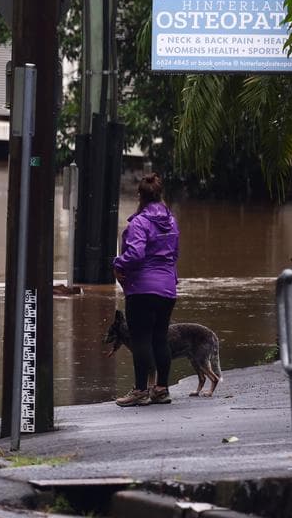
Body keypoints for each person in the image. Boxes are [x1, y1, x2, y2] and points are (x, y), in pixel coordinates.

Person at [112, 172, 180, 407]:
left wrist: (117, 263)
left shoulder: (140, 223)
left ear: (139, 195)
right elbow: (174, 254)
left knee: (140, 339)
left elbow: (136, 254)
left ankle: (140, 391)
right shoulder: (171, 221)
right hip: (167, 288)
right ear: (160, 194)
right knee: (160, 337)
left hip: (142, 289)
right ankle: (161, 389)